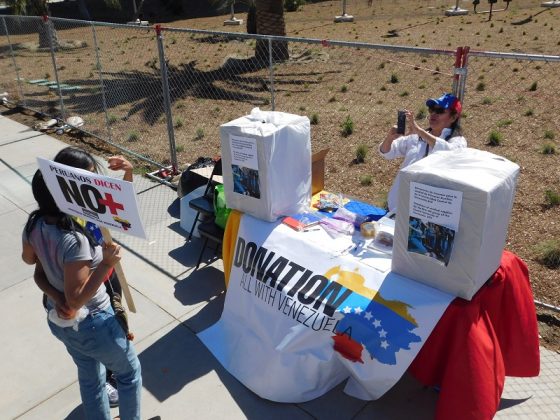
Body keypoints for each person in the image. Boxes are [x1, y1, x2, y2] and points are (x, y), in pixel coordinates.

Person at [22, 147, 141, 420]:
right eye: (82, 180)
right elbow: (76, 298)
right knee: (129, 373)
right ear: (62, 185)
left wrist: (129, 172)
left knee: (90, 377)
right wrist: (106, 264)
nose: (89, 187)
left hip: (62, 319)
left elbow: (117, 208)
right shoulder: (73, 233)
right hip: (93, 315)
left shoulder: (37, 223)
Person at [379, 93, 467, 212]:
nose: (433, 115)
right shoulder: (417, 136)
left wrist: (419, 131)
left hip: (427, 211)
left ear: (453, 117)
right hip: (398, 206)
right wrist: (389, 138)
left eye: (440, 111)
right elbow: (387, 152)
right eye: (432, 110)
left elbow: (449, 153)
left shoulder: (457, 141)